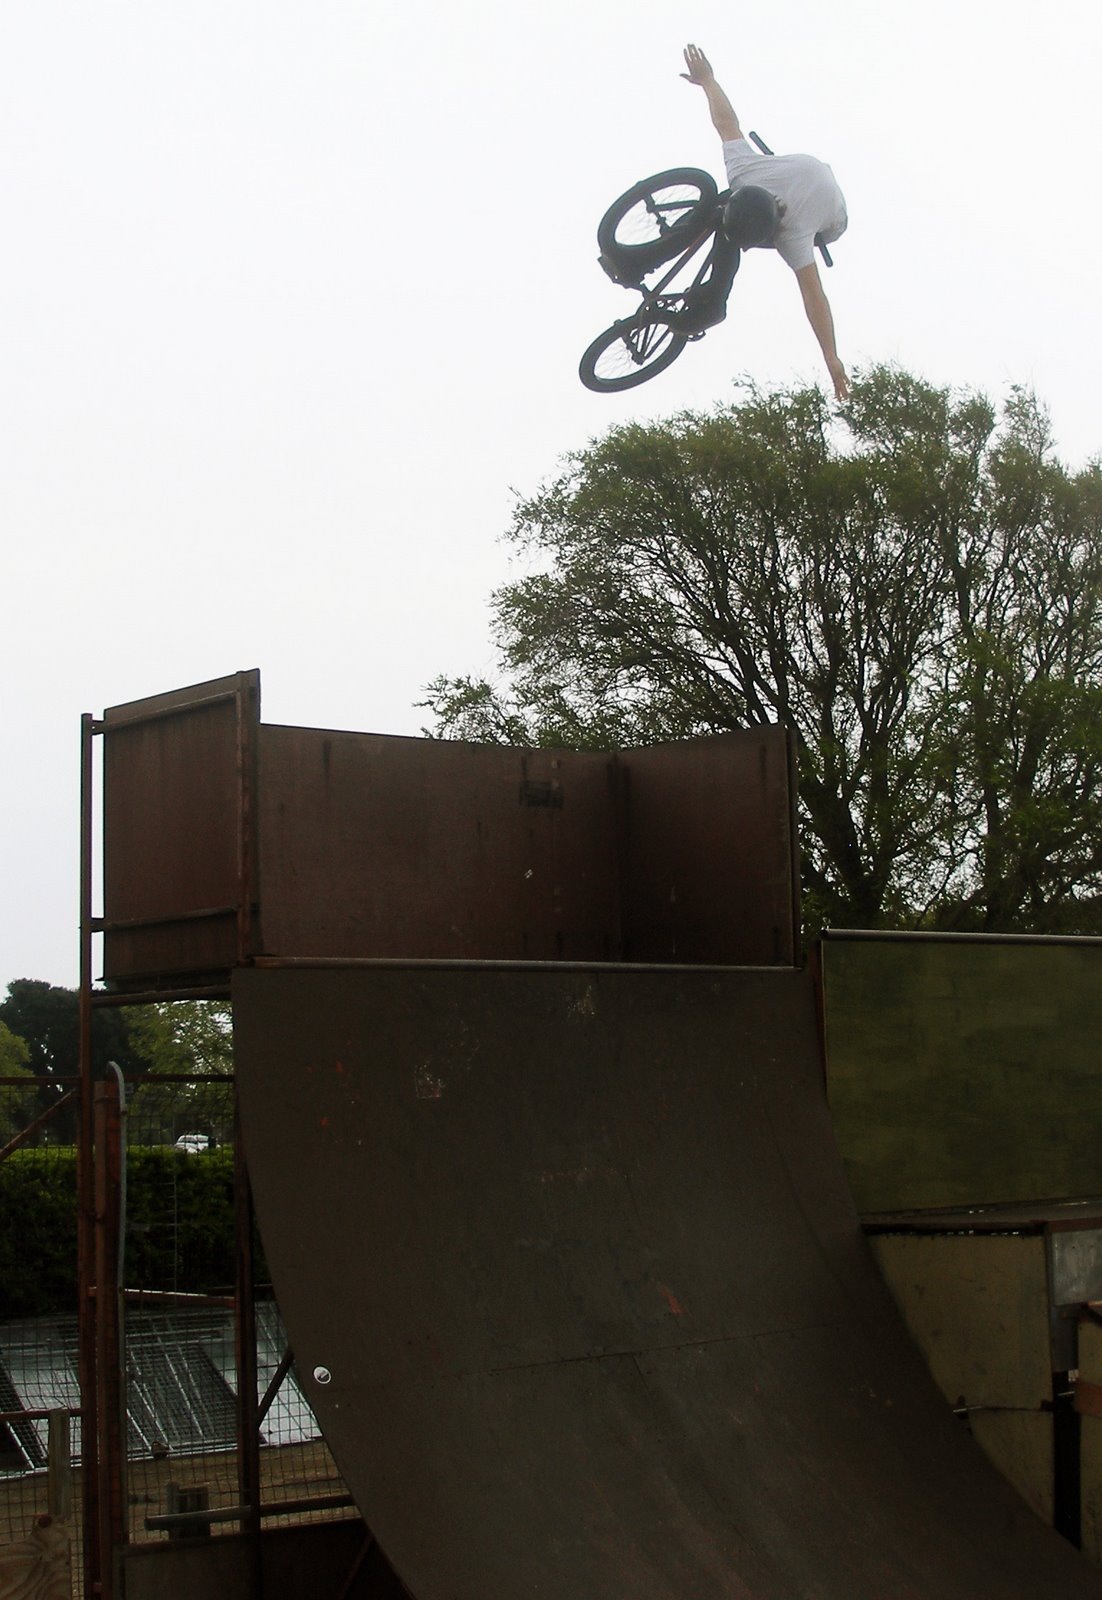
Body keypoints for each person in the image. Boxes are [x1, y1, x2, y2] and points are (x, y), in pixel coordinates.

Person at [681, 43, 850, 400]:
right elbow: (726, 123)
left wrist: (830, 355)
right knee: (723, 213)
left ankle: (714, 300)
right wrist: (708, 80)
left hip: (833, 220)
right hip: (798, 173)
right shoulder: (744, 171)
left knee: (726, 233)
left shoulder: (794, 234)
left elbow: (814, 295)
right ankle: (685, 245)